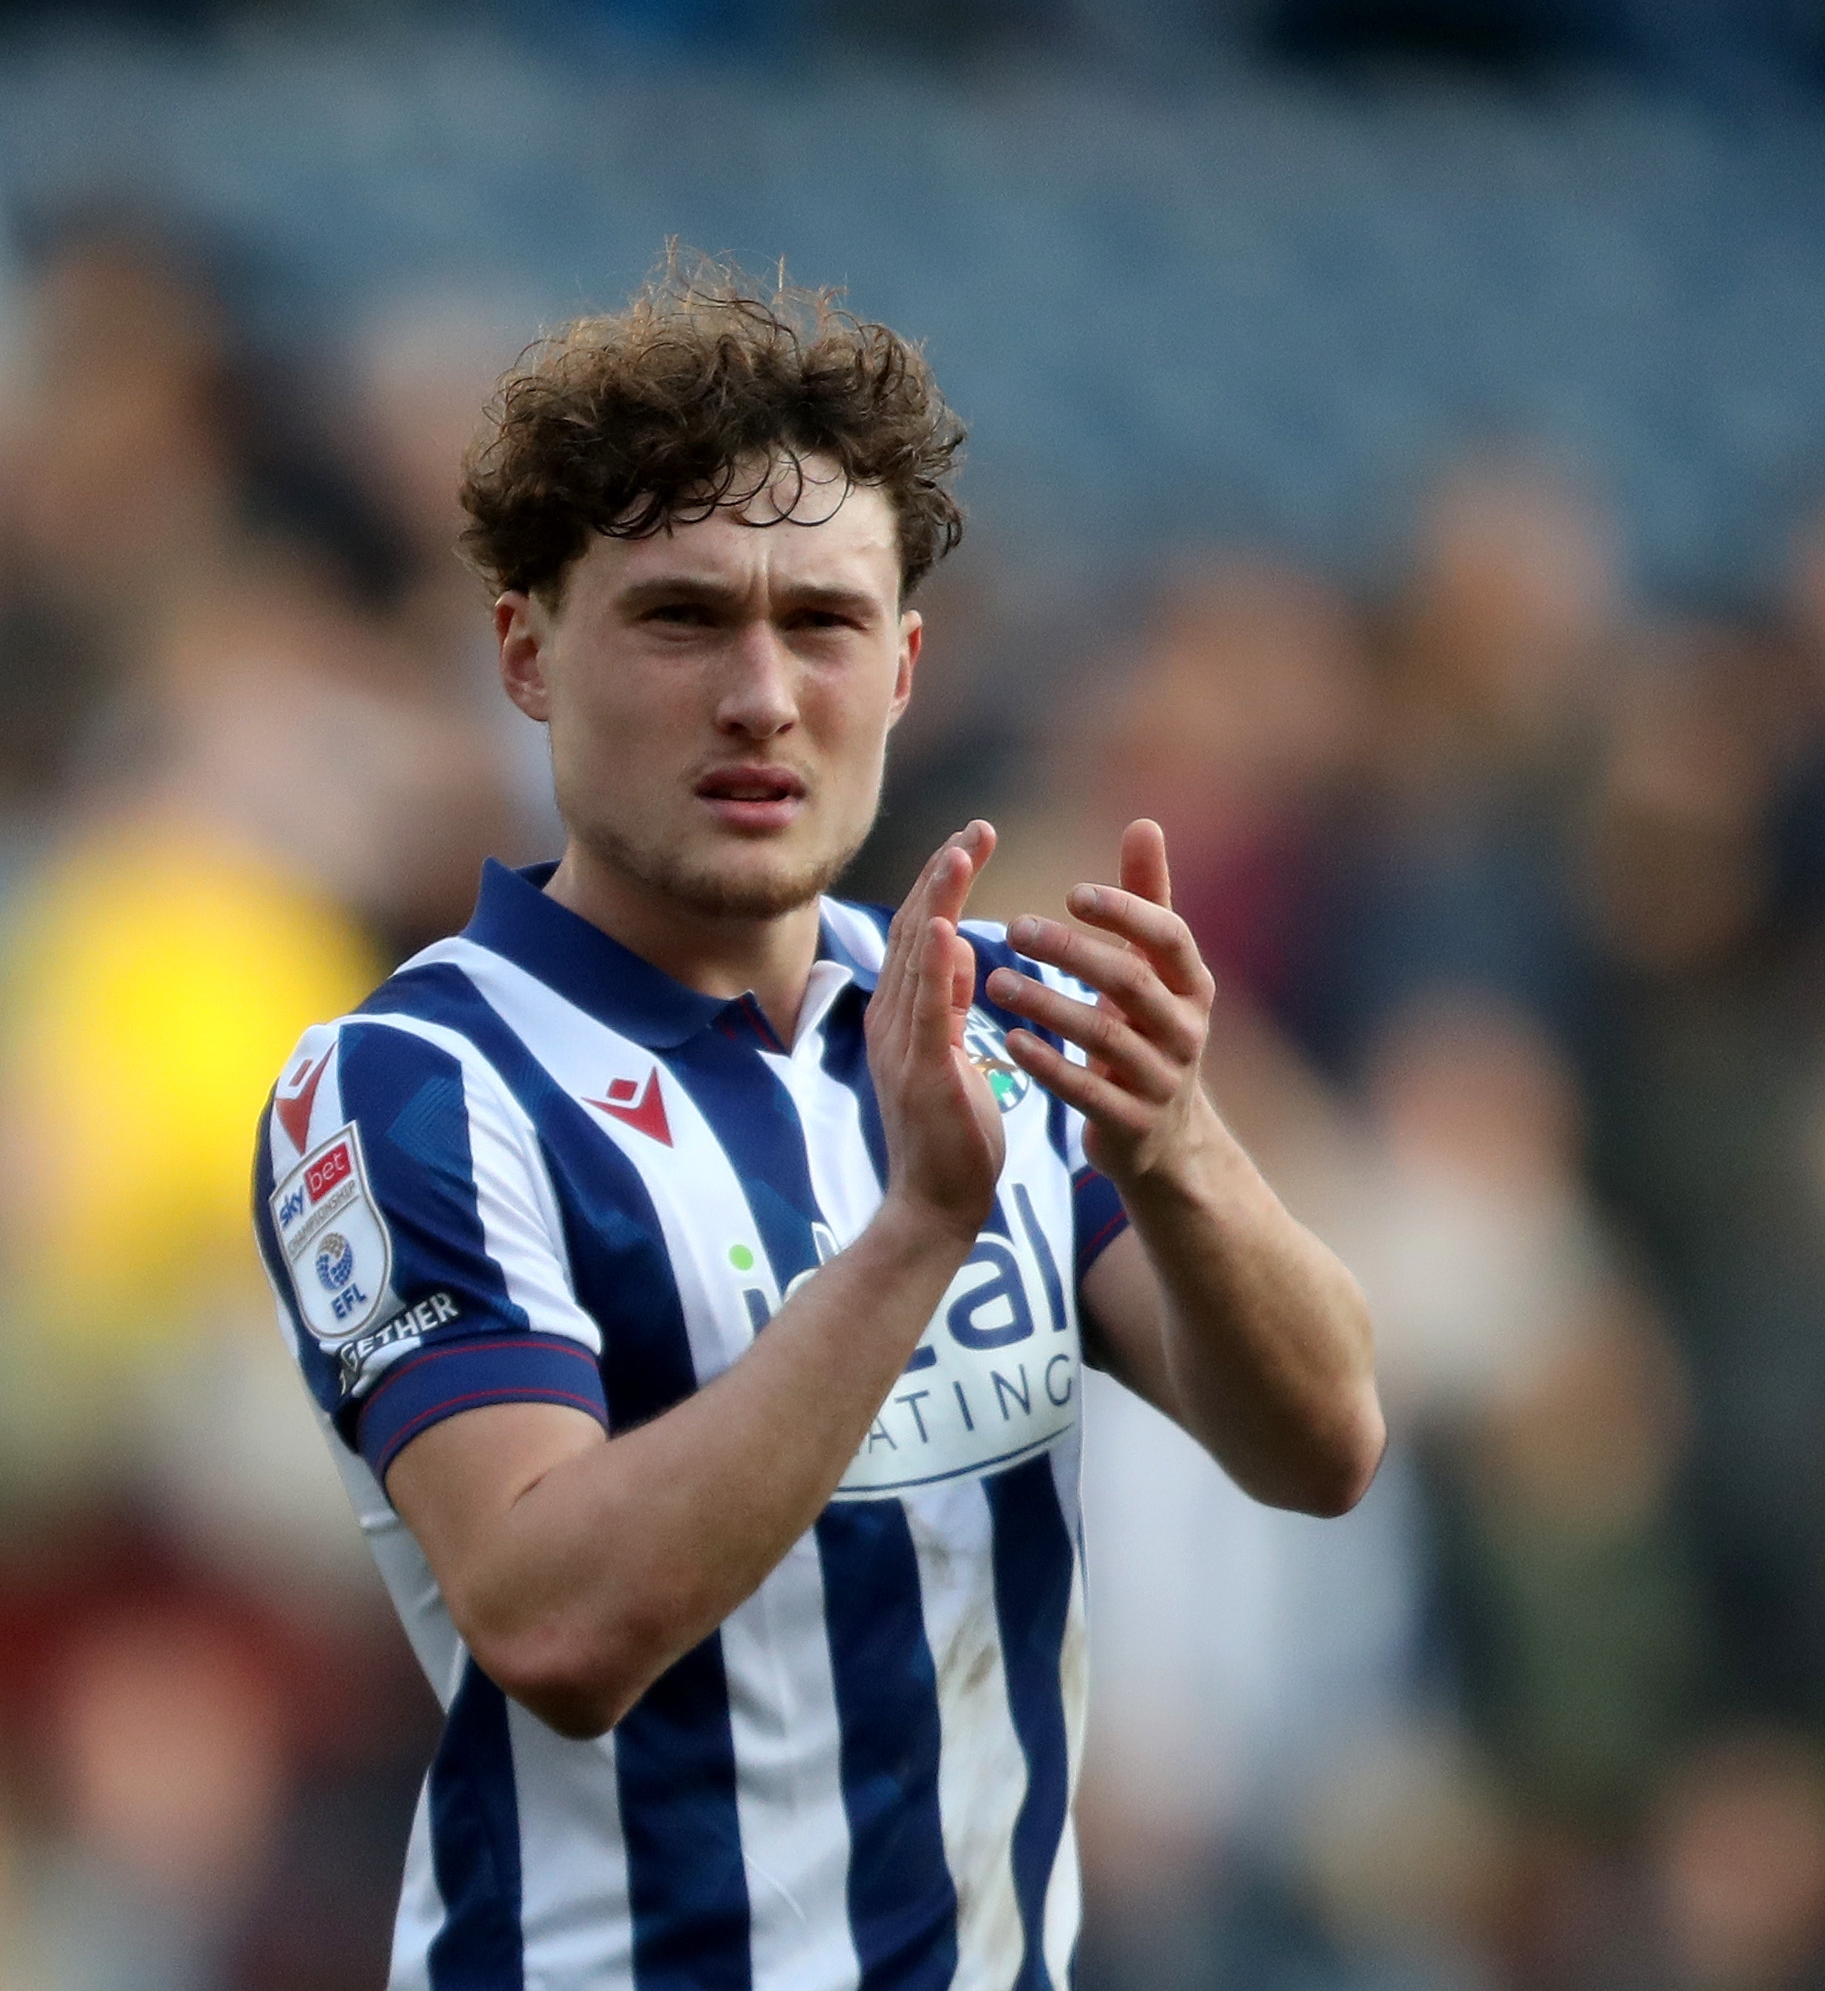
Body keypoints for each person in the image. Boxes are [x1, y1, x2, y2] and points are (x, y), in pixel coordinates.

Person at [248, 263, 1385, 1991]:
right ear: (524, 651)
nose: (763, 695)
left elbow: (1321, 1444)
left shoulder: (992, 1018)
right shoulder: (416, 1081)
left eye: (824, 624)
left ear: (907, 665)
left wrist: (1178, 1148)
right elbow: (553, 1623)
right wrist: (913, 1236)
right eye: (682, 618)